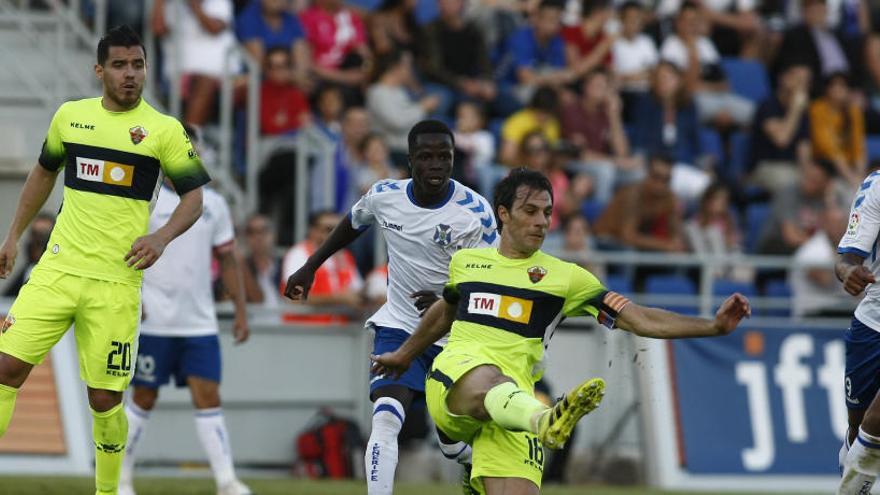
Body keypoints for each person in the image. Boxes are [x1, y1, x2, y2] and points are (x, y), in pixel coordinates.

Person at [370, 167, 751, 495]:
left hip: (514, 405)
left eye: (548, 213)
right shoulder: (467, 262)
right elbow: (445, 311)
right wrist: (405, 355)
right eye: (530, 211)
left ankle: (524, 430)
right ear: (503, 214)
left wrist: (713, 326)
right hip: (456, 382)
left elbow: (637, 318)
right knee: (488, 378)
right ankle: (544, 420)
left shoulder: (566, 278)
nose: (541, 221)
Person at [0, 25, 210, 495]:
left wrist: (161, 236)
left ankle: (108, 491)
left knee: (105, 398)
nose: (130, 74)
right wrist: (12, 235)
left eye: (137, 64)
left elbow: (194, 198)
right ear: (99, 70)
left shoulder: (163, 130)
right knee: (5, 369)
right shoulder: (70, 117)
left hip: (116, 282)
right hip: (55, 270)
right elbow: (42, 173)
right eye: (119, 65)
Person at [284, 120, 498, 495]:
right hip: (398, 326)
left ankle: (471, 461)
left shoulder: (475, 211)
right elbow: (352, 223)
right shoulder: (385, 195)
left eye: (444, 157)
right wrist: (310, 266)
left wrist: (451, 302)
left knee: (450, 442)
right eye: (426, 157)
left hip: (454, 334)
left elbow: (492, 278)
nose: (436, 165)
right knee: (386, 417)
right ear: (411, 161)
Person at [119, 126, 251, 495]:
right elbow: (122, 253)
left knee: (208, 396)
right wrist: (135, 299)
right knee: (144, 396)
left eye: (192, 148)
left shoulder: (215, 204)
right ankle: (122, 477)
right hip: (153, 321)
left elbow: (227, 259)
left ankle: (226, 481)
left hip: (199, 323)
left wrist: (240, 311)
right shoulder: (145, 200)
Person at [835, 167, 880, 492]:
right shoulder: (877, 186)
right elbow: (848, 255)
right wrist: (849, 271)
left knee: (877, 422)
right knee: (858, 430)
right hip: (873, 324)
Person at [280, 210, 364, 323]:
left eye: (339, 229)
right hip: (305, 332)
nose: (337, 233)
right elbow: (294, 297)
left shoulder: (344, 256)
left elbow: (357, 292)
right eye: (329, 229)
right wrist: (338, 299)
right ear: (313, 231)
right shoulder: (299, 253)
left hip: (338, 332)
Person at [1, 212, 54, 297]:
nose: (37, 241)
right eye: (35, 234)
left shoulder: (58, 273)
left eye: (43, 235)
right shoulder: (27, 271)